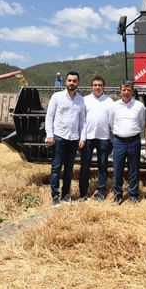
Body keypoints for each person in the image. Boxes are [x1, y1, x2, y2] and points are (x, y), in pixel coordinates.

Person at [45, 71, 86, 207]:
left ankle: (66, 194)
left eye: (74, 81)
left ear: (78, 83)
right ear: (66, 82)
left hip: (73, 138)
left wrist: (82, 137)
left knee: (69, 168)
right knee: (56, 167)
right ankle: (55, 195)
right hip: (59, 137)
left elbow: (82, 121)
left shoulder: (81, 99)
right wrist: (49, 135)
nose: (71, 83)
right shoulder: (57, 97)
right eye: (69, 80)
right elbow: (49, 116)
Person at [109, 80, 146, 204]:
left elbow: (141, 124)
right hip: (119, 141)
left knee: (134, 170)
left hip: (134, 141)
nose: (126, 92)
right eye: (124, 90)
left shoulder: (139, 106)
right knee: (117, 170)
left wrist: (131, 131)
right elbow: (111, 123)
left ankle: (133, 196)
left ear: (132, 91)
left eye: (128, 90)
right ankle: (118, 196)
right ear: (120, 91)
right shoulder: (114, 106)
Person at [78, 76, 114, 201]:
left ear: (103, 86)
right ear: (91, 86)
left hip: (104, 138)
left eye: (100, 85)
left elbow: (112, 123)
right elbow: (81, 120)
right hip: (87, 138)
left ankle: (101, 192)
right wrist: (81, 138)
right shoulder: (84, 100)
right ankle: (83, 193)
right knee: (85, 166)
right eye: (95, 85)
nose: (97, 87)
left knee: (103, 166)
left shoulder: (109, 101)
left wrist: (112, 140)